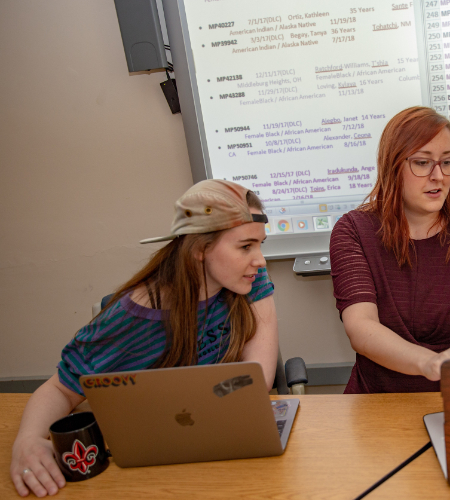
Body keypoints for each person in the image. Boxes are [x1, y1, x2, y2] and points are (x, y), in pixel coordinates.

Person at [10, 180, 279, 497]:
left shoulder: (250, 279)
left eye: (260, 244)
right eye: (246, 246)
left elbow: (256, 381)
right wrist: (28, 440)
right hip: (160, 465)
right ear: (199, 250)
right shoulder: (131, 316)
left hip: (226, 441)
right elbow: (60, 388)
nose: (260, 260)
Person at [330, 106, 450, 393]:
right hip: (376, 402)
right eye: (422, 162)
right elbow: (361, 328)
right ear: (393, 166)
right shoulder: (353, 230)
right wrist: (432, 364)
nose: (438, 176)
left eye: (447, 162)